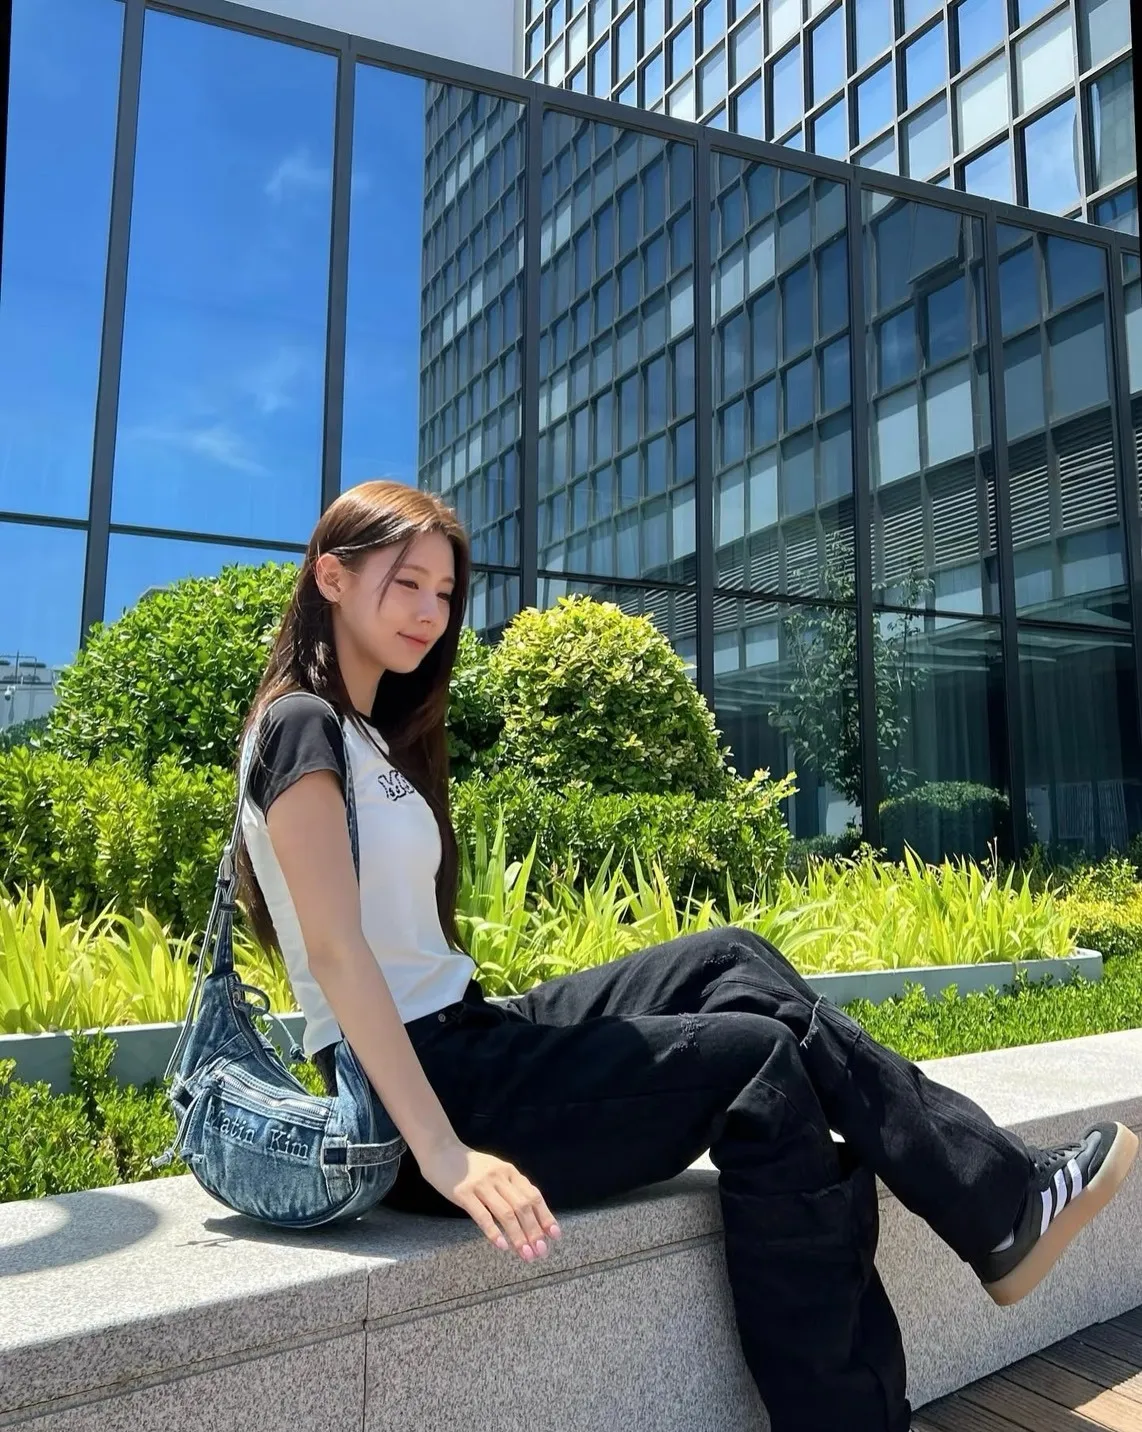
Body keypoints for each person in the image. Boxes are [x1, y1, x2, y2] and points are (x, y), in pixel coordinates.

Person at [236, 478, 1137, 1432]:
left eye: (445, 592)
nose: (430, 611)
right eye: (406, 583)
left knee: (731, 958)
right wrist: (447, 1153)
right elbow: (336, 952)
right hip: (425, 1089)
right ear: (331, 577)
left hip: (472, 1034)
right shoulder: (299, 725)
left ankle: (1001, 1205)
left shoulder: (373, 738)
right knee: (757, 1064)